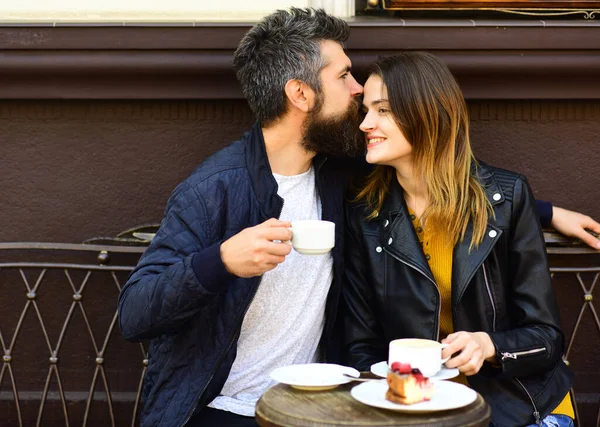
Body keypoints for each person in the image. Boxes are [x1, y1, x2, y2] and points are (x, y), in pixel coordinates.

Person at [117, 8, 364, 427]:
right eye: (343, 76)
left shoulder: (339, 176)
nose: (358, 88)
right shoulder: (213, 188)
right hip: (220, 410)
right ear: (300, 94)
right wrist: (221, 261)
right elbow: (135, 314)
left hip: (314, 409)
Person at [343, 52, 574, 427]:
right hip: (417, 409)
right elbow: (360, 345)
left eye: (382, 110)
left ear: (426, 114)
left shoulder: (507, 199)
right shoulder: (365, 213)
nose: (366, 123)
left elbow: (546, 337)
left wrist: (491, 346)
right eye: (366, 110)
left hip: (517, 404)